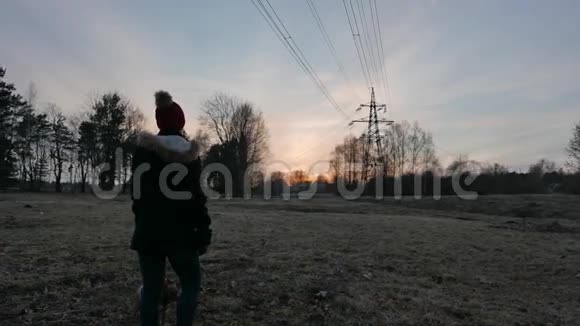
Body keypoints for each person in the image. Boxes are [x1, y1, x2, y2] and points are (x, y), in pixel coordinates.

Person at [131, 90, 212, 326]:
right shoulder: (191, 156)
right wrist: (204, 233)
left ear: (159, 121)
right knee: (190, 285)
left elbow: (137, 196)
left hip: (149, 233)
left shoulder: (143, 153)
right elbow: (197, 199)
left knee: (151, 291)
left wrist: (143, 221)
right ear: (181, 122)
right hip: (183, 235)